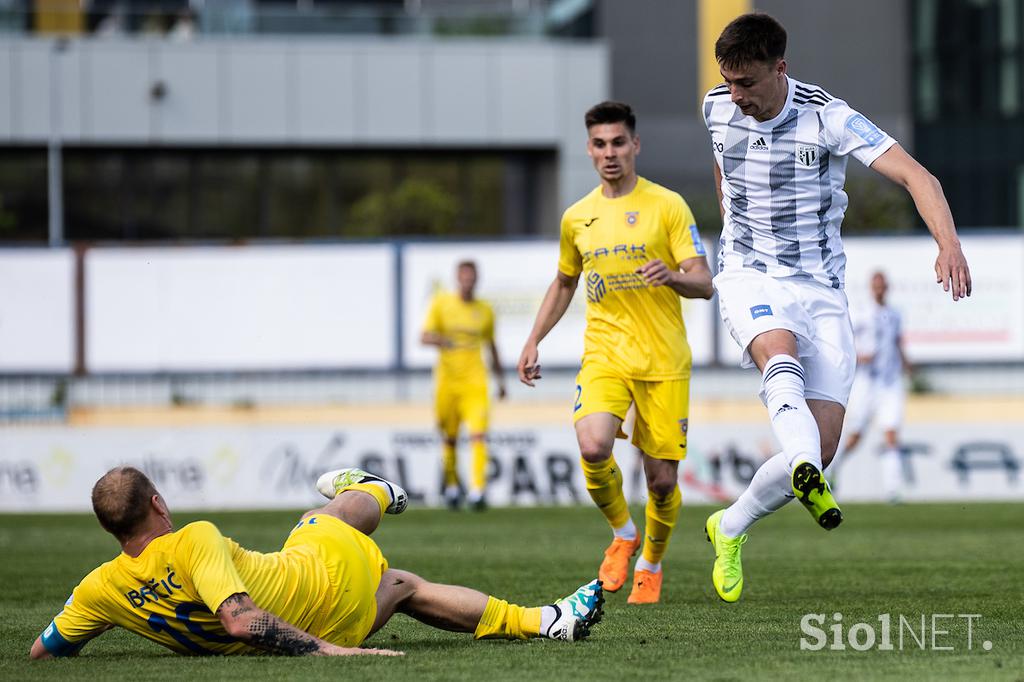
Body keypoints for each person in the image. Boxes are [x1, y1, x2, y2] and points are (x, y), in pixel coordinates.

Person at [701, 12, 971, 602]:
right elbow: (724, 166)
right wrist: (733, 222)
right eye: (728, 81)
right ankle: (804, 470)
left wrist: (948, 244)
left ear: (781, 68)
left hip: (821, 289)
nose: (735, 95)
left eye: (747, 82)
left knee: (821, 448)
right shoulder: (715, 106)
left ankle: (731, 523)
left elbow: (918, 177)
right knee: (779, 352)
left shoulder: (829, 118)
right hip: (749, 273)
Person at [29, 466, 603, 659]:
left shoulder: (99, 589)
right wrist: (327, 652)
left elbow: (42, 649)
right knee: (319, 519)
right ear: (158, 503)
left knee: (401, 584)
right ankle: (376, 488)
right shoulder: (192, 537)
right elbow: (239, 619)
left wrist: (90, 625)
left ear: (109, 529)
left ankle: (544, 621)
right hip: (323, 593)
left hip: (347, 617)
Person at [517, 101, 714, 604]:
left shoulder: (666, 206)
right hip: (605, 355)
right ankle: (623, 533)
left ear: (635, 145)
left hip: (664, 361)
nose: (610, 153)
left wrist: (673, 276)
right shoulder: (577, 217)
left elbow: (704, 282)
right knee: (592, 446)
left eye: (618, 142)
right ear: (589, 149)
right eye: (600, 144)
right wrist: (533, 339)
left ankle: (651, 563)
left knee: (662, 481)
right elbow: (564, 283)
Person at [421, 260, 507, 510]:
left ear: (476, 279)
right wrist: (443, 341)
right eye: (464, 277)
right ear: (457, 278)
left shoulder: (485, 310)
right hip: (447, 383)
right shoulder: (442, 304)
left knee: (479, 435)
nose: (468, 282)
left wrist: (501, 381)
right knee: (449, 437)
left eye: (472, 278)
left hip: (476, 382)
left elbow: (492, 347)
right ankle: (451, 487)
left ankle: (477, 491)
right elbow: (424, 336)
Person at [833, 271, 912, 501]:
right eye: (876, 286)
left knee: (891, 432)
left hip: (889, 382)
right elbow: (844, 339)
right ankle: (831, 469)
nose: (879, 289)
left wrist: (906, 364)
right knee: (855, 435)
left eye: (883, 286)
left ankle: (893, 489)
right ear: (871, 288)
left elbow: (897, 342)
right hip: (866, 382)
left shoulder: (895, 314)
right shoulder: (861, 313)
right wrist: (858, 356)